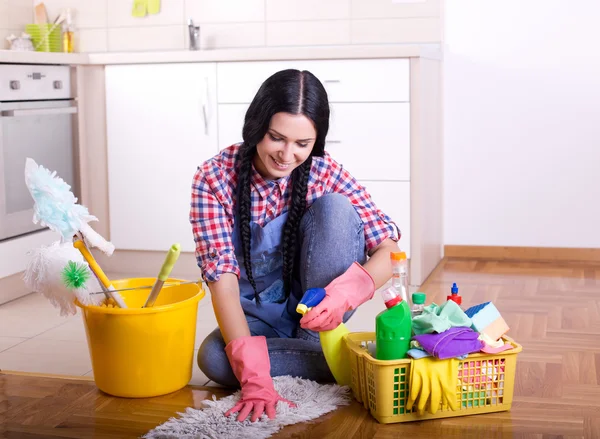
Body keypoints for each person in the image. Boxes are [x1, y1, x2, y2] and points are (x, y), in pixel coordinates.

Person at [189, 69, 401, 423]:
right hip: (259, 321)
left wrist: (342, 296)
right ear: (257, 125)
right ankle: (345, 360)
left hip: (320, 314)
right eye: (277, 138)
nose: (287, 155)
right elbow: (222, 284)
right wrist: (254, 379)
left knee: (336, 208)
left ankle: (319, 342)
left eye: (302, 144)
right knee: (214, 359)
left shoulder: (323, 170)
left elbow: (389, 250)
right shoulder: (214, 179)